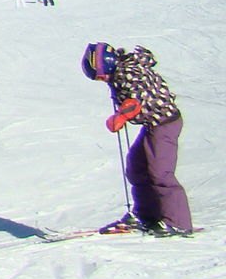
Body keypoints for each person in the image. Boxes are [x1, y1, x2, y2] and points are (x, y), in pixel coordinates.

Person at [81, 43, 193, 235]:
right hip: (154, 124)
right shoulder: (126, 69)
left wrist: (121, 116)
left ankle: (178, 222)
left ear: (106, 65)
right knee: (137, 168)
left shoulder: (128, 74)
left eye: (101, 76)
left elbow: (138, 99)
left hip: (164, 123)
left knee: (160, 172)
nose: (103, 80)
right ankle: (147, 216)